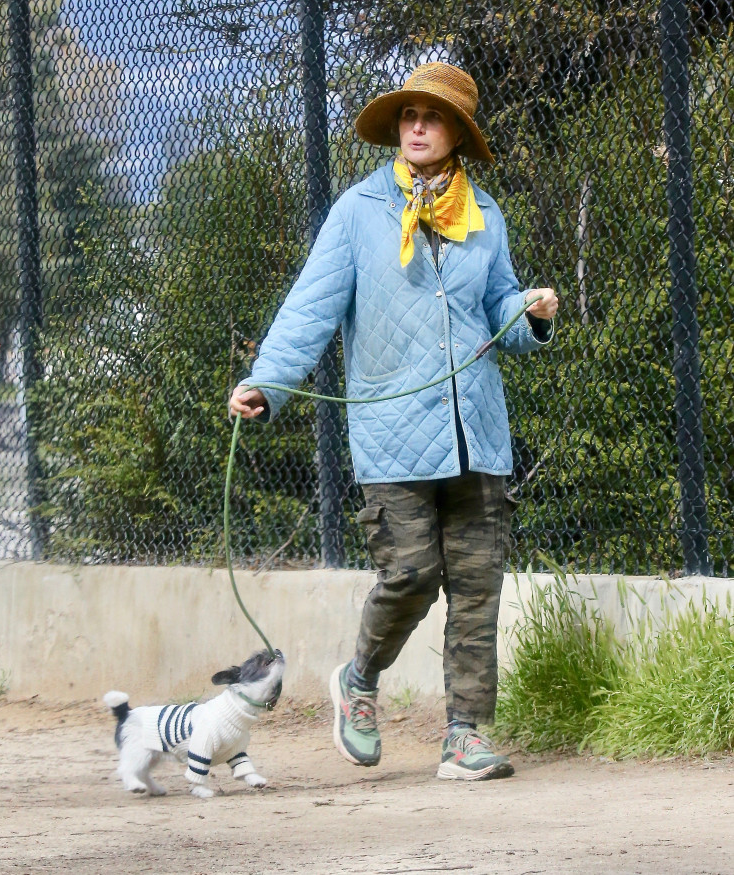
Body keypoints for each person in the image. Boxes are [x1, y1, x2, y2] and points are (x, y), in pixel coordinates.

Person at [229, 62, 558, 781]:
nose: (415, 125)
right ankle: (359, 679)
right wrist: (267, 383)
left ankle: (464, 734)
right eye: (408, 114)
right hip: (390, 433)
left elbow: (496, 308)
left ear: (456, 135)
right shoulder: (357, 212)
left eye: (432, 116)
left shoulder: (486, 216)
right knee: (409, 573)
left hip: (479, 430)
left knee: (476, 586)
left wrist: (526, 313)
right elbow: (310, 307)